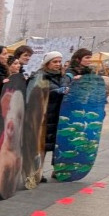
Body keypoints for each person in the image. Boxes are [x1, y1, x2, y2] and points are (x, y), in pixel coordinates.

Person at [37, 52, 66, 181]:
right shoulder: (40, 76)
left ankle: (57, 170)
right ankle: (37, 172)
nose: (58, 64)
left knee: (56, 144)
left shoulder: (61, 77)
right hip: (44, 116)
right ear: (47, 63)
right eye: (55, 62)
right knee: (41, 146)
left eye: (59, 62)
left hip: (58, 115)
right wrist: (54, 92)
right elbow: (36, 93)